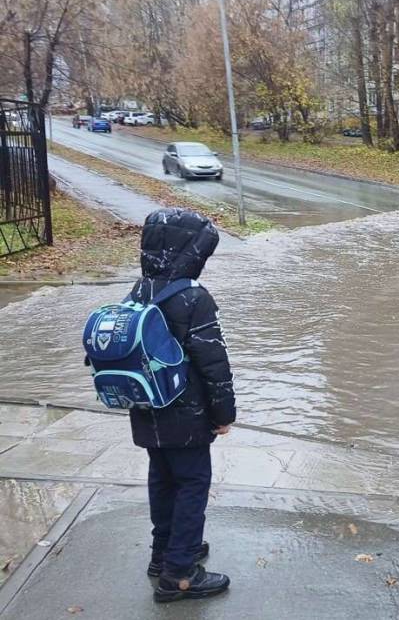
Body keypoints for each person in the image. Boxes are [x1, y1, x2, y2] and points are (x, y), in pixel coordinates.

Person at [129, 208, 235, 603]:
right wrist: (224, 415)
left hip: (145, 408)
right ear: (191, 252)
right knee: (192, 484)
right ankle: (179, 575)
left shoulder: (139, 289)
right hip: (185, 415)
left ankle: (165, 553)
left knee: (162, 479)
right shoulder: (193, 297)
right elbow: (213, 364)